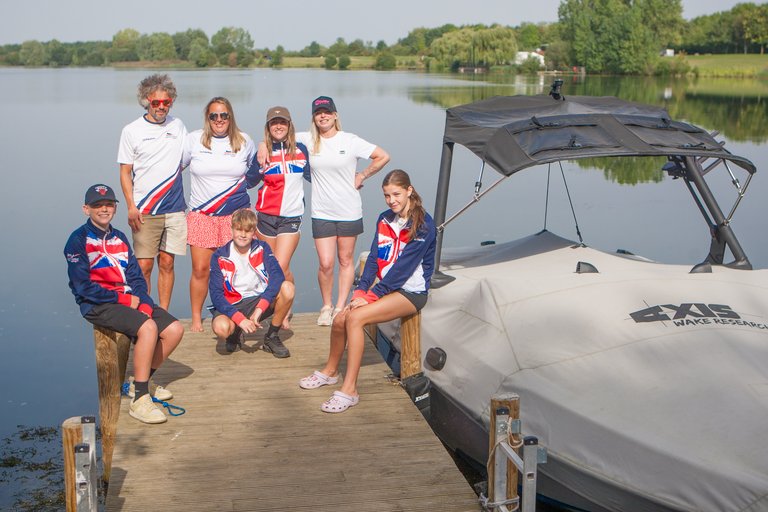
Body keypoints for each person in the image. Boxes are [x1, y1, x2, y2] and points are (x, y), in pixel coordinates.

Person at [299, 170, 436, 413]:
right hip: (386, 289)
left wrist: (371, 296)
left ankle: (350, 390)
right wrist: (361, 291)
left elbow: (403, 271)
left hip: (410, 292)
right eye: (386, 195)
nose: (391, 200)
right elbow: (373, 258)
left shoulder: (424, 225)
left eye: (396, 194)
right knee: (341, 316)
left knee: (355, 318)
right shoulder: (385, 219)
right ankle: (331, 371)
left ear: (409, 190)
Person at [64, 184, 184, 424]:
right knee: (148, 328)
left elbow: (136, 277)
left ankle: (139, 382)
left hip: (128, 299)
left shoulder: (119, 236)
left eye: (108, 204)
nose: (104, 209)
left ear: (115, 207)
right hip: (98, 304)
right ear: (86, 209)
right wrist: (123, 299)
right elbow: (82, 287)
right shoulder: (77, 241)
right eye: (97, 205)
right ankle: (140, 400)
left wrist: (146, 304)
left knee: (174, 330)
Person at [300, 96, 390, 325]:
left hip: (349, 211)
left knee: (346, 259)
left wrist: (362, 175)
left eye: (327, 112)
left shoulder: (350, 141)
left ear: (335, 115)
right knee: (326, 263)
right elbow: (276, 135)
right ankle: (326, 306)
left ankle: (340, 306)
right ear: (314, 117)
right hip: (321, 212)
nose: (323, 116)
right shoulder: (308, 140)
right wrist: (262, 145)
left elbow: (383, 156)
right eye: (319, 112)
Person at [182, 97, 256, 333]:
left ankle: (233, 313)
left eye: (224, 115)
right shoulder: (193, 140)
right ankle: (196, 318)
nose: (219, 120)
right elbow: (174, 168)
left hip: (235, 217)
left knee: (233, 268)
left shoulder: (244, 141)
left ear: (230, 117)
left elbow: (256, 171)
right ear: (208, 118)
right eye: (214, 116)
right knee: (201, 269)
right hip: (202, 215)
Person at [117, 73, 187, 311]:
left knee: (167, 263)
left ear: (171, 102)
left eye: (166, 102)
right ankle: (144, 312)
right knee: (144, 266)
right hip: (144, 210)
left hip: (175, 208)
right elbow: (125, 172)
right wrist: (130, 206)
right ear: (146, 100)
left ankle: (163, 313)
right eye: (156, 102)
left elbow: (189, 157)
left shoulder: (178, 126)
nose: (161, 107)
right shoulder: (131, 131)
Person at [248, 106, 310, 329]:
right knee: (271, 267)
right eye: (274, 123)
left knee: (280, 267)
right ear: (268, 127)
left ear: (289, 125)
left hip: (290, 217)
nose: (278, 126)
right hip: (265, 216)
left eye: (283, 122)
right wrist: (261, 151)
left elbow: (318, 174)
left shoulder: (302, 149)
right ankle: (286, 299)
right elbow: (249, 181)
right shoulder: (263, 153)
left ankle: (282, 311)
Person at [209, 208, 295, 356]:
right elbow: (216, 295)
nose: (243, 235)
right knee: (221, 328)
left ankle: (271, 337)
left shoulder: (262, 248)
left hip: (257, 299)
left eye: (248, 231)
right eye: (239, 230)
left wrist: (260, 308)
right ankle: (235, 333)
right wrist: (239, 319)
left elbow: (277, 276)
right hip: (233, 303)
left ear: (254, 232)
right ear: (231, 229)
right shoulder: (219, 255)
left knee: (287, 288)